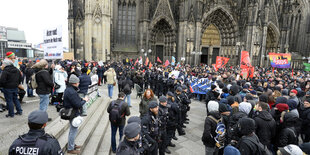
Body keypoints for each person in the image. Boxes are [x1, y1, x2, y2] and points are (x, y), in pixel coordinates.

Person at [63, 74, 88, 154]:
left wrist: (81, 99)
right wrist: (84, 101)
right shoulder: (72, 92)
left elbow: (75, 99)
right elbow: (77, 104)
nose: (79, 83)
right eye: (78, 82)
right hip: (73, 112)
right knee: (73, 130)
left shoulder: (69, 89)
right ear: (75, 83)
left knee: (72, 130)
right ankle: (70, 148)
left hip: (71, 111)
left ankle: (72, 144)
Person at [0, 52, 23, 118]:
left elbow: (2, 80)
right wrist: (17, 84)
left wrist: (2, 85)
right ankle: (19, 111)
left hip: (7, 88)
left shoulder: (5, 71)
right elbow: (20, 78)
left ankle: (11, 114)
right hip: (15, 87)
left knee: (9, 101)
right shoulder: (16, 69)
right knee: (15, 99)